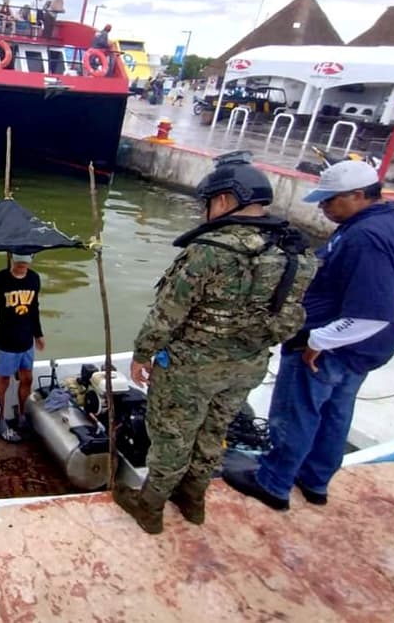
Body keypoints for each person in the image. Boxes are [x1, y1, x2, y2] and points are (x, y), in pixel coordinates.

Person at [114, 152, 317, 534]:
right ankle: (193, 501)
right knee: (213, 434)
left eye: (207, 203)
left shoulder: (210, 250)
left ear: (224, 200)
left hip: (191, 369)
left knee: (172, 436)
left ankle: (150, 507)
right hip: (247, 366)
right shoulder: (292, 251)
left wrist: (143, 354)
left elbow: (167, 314)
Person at [223, 160, 394, 510]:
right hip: (365, 351)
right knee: (335, 415)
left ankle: (273, 482)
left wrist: (317, 341)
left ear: (358, 195)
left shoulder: (367, 238)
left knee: (295, 414)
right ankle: (314, 481)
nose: (323, 207)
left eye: (330, 200)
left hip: (328, 347)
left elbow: (372, 313)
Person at [0, 252, 45, 443]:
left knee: (27, 378)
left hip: (26, 338)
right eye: (18, 265)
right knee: (4, 381)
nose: (21, 268)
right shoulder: (1, 278)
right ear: (12, 262)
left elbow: (34, 308)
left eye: (25, 265)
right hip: (7, 338)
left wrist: (38, 334)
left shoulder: (34, 278)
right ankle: (0, 421)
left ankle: (23, 416)